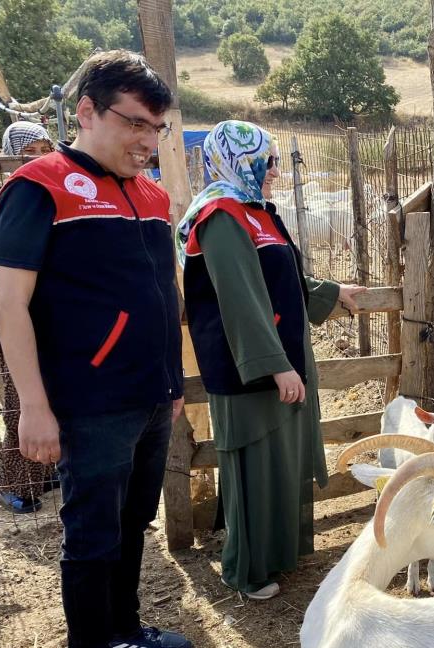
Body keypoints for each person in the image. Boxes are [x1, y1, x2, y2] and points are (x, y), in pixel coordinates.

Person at [0, 50, 191, 648]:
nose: (147, 141)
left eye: (158, 129)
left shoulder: (153, 195)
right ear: (86, 111)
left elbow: (164, 294)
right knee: (90, 540)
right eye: (135, 123)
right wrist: (34, 407)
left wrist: (172, 381)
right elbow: (10, 305)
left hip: (149, 395)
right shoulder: (41, 186)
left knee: (134, 522)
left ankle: (124, 628)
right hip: (89, 400)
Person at [177, 120, 365, 601]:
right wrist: (274, 364)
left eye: (275, 161)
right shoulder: (221, 215)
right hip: (250, 368)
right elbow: (240, 297)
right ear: (240, 161)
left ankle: (281, 553)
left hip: (280, 359)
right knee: (255, 465)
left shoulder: (256, 211)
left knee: (280, 461)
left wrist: (332, 292)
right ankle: (248, 568)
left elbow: (283, 278)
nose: (276, 172)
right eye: (269, 162)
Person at [0, 121, 57, 513]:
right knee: (20, 401)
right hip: (13, 313)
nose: (39, 157)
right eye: (29, 151)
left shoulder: (52, 192)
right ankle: (14, 484)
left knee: (56, 393)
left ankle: (46, 471)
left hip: (52, 312)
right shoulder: (1, 197)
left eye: (45, 148)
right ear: (10, 155)